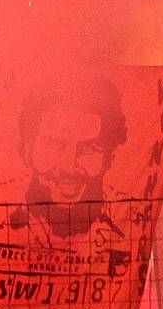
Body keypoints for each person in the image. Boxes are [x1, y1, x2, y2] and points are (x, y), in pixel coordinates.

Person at [11, 80, 130, 246]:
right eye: (55, 145)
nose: (69, 167)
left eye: (89, 149)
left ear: (110, 157)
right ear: (26, 150)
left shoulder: (127, 233)